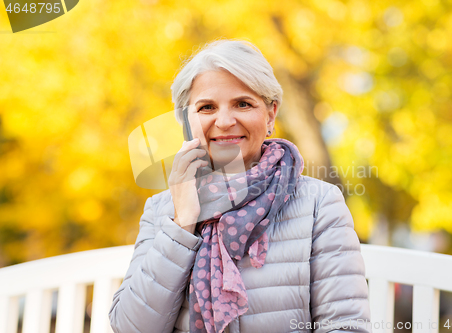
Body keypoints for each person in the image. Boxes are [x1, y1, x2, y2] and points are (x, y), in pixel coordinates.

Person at [109, 38, 371, 333]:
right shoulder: (162, 209)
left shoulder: (318, 203)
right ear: (186, 120)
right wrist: (182, 223)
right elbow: (131, 328)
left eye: (243, 104)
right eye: (207, 107)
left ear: (271, 114)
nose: (224, 121)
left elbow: (345, 326)